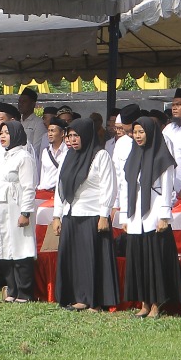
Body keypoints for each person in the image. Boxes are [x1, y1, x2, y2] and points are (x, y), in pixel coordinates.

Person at [121, 115, 181, 319]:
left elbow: (167, 187)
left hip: (154, 213)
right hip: (135, 215)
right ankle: (144, 303)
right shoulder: (133, 155)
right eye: (135, 132)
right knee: (138, 260)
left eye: (142, 132)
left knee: (154, 260)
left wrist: (164, 215)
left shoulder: (161, 156)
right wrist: (124, 215)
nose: (138, 136)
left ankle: (157, 303)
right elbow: (126, 185)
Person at [54, 117, 120, 312]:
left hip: (93, 215)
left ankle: (95, 301)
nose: (73, 140)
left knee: (93, 260)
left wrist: (103, 214)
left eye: (77, 136)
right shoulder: (69, 157)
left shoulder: (100, 156)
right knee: (74, 260)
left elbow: (108, 187)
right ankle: (77, 298)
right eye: (70, 136)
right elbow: (60, 187)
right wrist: (57, 215)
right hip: (72, 214)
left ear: (87, 135)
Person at [0, 120, 38, 302]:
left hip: (16, 206)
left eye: (7, 133)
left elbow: (29, 187)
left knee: (20, 247)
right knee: (3, 248)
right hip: (0, 206)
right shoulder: (1, 156)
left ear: (15, 135)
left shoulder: (24, 157)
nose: (2, 136)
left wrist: (25, 212)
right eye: (1, 133)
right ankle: (11, 289)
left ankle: (24, 292)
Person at [36, 118, 67, 193]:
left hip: (60, 192)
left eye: (53, 131)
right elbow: (43, 173)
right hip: (45, 191)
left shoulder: (68, 152)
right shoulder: (45, 152)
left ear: (62, 133)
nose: (49, 134)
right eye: (48, 131)